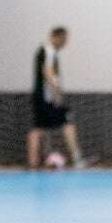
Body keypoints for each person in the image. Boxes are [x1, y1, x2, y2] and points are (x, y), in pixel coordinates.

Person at [26, 26, 89, 169]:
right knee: (67, 122)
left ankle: (33, 164)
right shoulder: (48, 50)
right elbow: (47, 72)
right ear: (56, 36)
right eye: (64, 39)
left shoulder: (43, 50)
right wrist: (57, 94)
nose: (65, 43)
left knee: (38, 128)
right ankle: (77, 159)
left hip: (40, 96)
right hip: (47, 98)